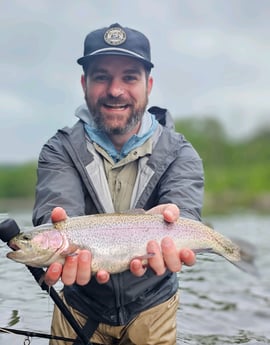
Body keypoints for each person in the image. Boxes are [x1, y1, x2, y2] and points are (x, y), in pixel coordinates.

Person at [32, 23, 204, 345]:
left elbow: (187, 218)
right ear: (84, 84)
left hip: (154, 306)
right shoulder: (59, 150)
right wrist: (53, 236)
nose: (115, 90)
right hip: (80, 307)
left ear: (148, 85)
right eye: (101, 77)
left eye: (129, 77)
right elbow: (54, 217)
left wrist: (178, 222)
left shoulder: (181, 153)